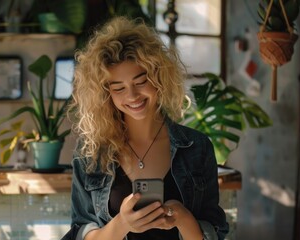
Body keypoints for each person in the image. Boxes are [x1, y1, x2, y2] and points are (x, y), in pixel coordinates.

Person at [62, 16, 229, 240]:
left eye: (140, 82)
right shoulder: (90, 153)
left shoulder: (197, 147)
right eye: (118, 88)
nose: (132, 96)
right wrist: (122, 224)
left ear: (158, 77)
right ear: (106, 94)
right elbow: (80, 231)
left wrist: (182, 218)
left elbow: (214, 232)